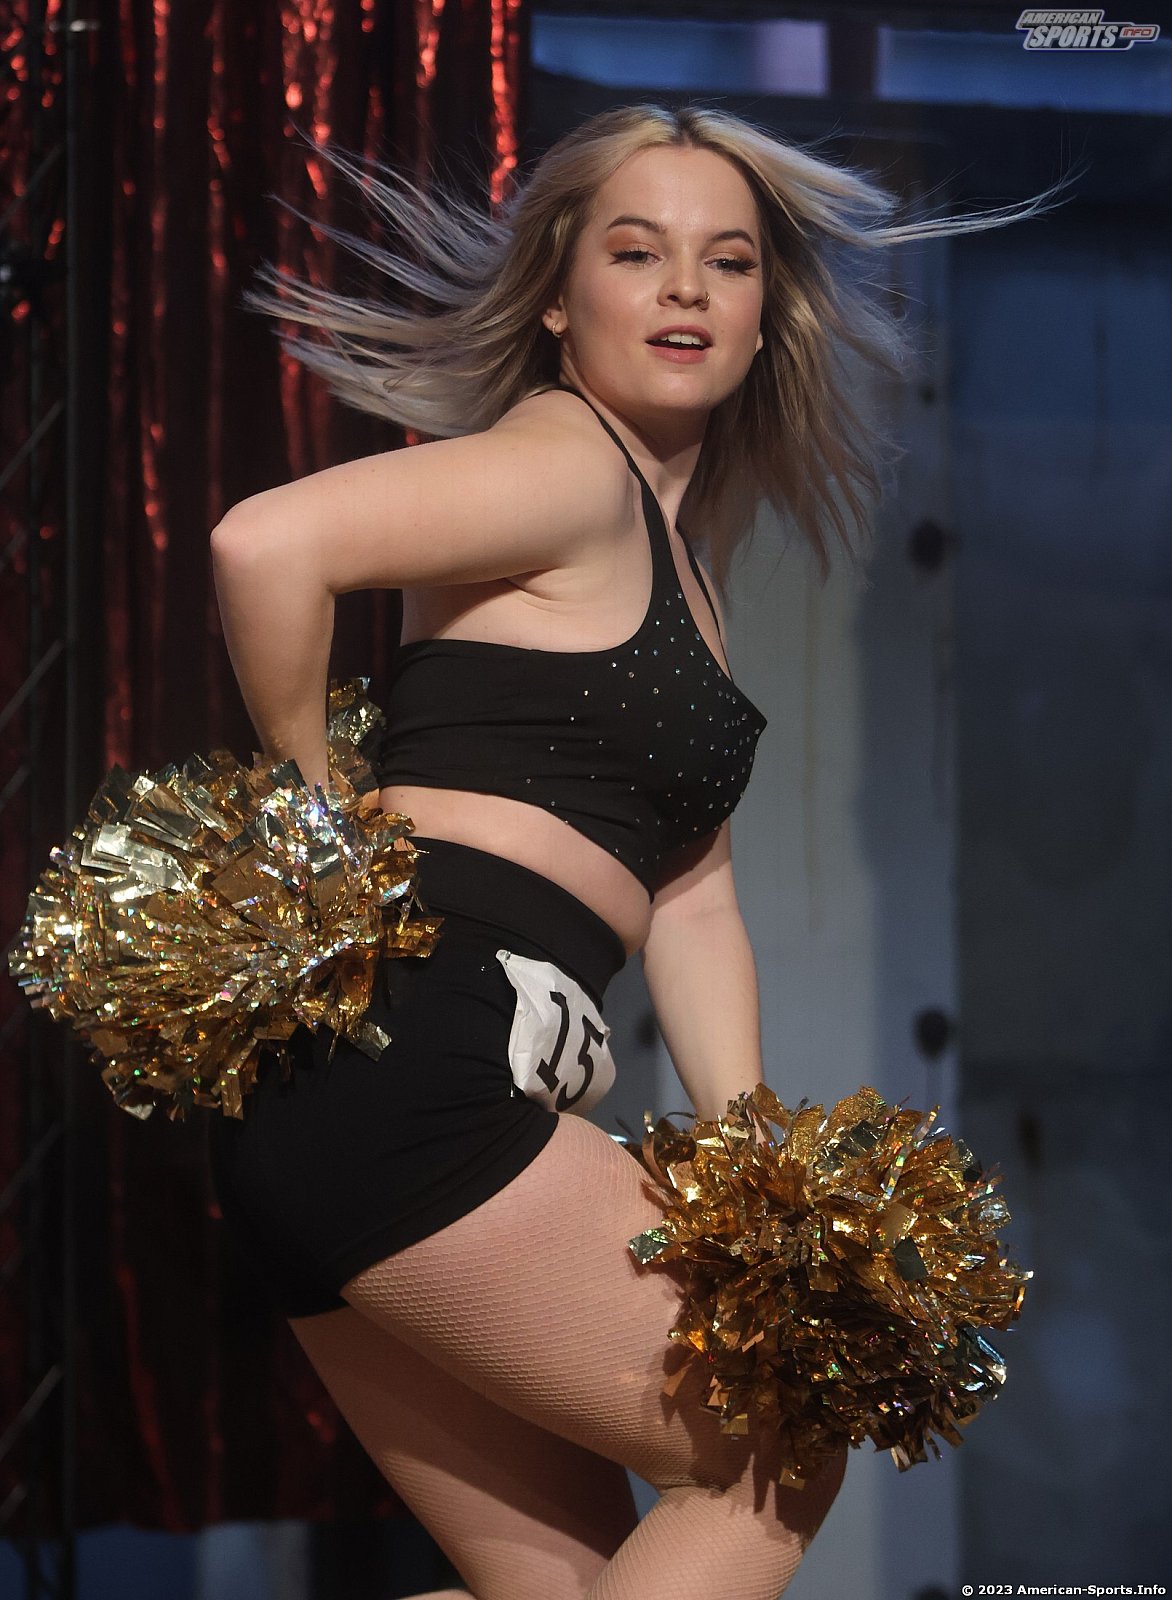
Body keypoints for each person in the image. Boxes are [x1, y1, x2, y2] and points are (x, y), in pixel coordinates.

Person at [206, 105, 1060, 1600]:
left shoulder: (680, 561)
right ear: (557, 295)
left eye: (727, 262)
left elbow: (693, 890)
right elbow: (264, 545)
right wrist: (315, 823)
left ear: (764, 317)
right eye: (636, 251)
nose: (684, 288)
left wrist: (760, 1189)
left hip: (361, 1099)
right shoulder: (570, 468)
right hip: (417, 1067)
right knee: (781, 1439)